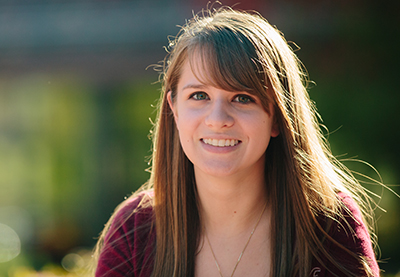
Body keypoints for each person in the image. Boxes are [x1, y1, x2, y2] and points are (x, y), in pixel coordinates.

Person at [93, 6, 379, 277]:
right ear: (174, 109)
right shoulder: (135, 229)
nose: (218, 119)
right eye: (199, 96)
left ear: (278, 117)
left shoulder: (331, 227)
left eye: (242, 98)